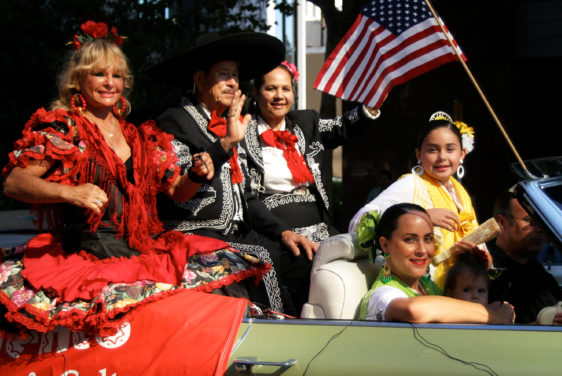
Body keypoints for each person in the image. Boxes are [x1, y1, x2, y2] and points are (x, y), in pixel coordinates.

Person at [0, 22, 267, 336]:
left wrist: (203, 166)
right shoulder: (65, 128)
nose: (109, 83)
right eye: (99, 74)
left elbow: (178, 192)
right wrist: (71, 193)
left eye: (116, 76)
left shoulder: (137, 135)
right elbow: (14, 183)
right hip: (91, 257)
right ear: (78, 78)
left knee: (231, 275)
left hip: (141, 251)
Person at [152, 33, 316, 315]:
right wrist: (225, 144)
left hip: (234, 232)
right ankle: (275, 333)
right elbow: (176, 192)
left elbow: (248, 198)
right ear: (201, 79)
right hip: (193, 231)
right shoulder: (175, 121)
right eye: (224, 75)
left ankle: (312, 336)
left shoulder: (232, 122)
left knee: (301, 256)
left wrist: (284, 231)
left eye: (236, 76)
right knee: (261, 257)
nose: (232, 83)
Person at [246, 61, 381, 243]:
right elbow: (245, 197)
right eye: (271, 88)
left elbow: (341, 127)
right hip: (275, 235)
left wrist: (371, 106)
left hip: (321, 228)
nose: (279, 96)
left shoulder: (306, 123)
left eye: (286, 89)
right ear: (256, 92)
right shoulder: (242, 132)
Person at [350, 111, 488, 288]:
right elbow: (359, 222)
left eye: (450, 149)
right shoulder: (411, 183)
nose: (442, 157)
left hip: (462, 290)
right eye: (432, 150)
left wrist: (482, 256)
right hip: (420, 288)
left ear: (462, 154)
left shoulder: (460, 192)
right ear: (418, 154)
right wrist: (422, 218)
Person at [357, 203, 514, 324]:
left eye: (428, 239)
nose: (422, 250)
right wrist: (490, 314)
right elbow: (414, 310)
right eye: (409, 239)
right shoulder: (383, 294)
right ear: (385, 245)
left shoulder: (427, 284)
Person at [488, 190, 562, 325]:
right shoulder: (484, 269)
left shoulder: (538, 273)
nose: (540, 229)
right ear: (502, 222)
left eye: (543, 222)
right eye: (530, 222)